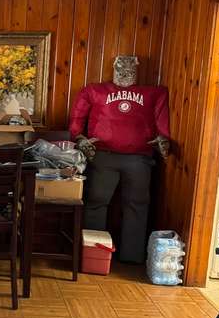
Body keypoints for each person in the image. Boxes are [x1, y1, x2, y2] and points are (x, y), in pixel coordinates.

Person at [69, 55, 170, 263]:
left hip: (139, 158)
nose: (125, 73)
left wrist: (164, 138)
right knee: (96, 202)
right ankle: (92, 256)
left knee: (137, 205)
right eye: (121, 69)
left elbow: (162, 119)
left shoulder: (153, 93)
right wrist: (78, 137)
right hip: (102, 155)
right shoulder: (94, 90)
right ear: (114, 68)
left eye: (130, 70)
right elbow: (77, 117)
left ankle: (132, 256)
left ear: (136, 70)